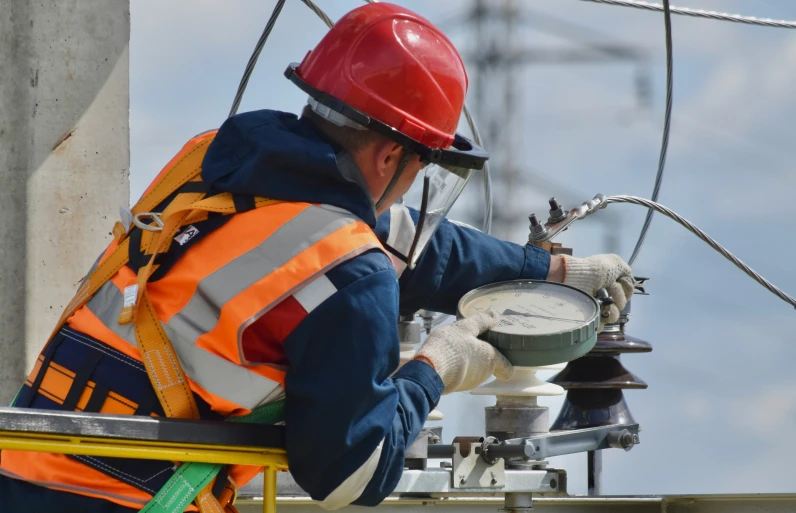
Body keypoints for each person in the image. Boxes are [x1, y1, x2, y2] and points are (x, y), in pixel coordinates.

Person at [0, 3, 634, 512]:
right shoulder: (347, 268)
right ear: (391, 159)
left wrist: (549, 271)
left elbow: (414, 245)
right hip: (123, 496)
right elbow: (351, 475)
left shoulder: (214, 164)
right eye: (422, 166)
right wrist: (437, 367)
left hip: (22, 461)